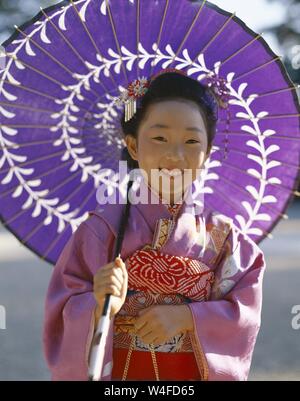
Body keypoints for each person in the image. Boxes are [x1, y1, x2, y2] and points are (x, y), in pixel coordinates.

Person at [43, 70, 266, 381]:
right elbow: (62, 308)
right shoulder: (101, 229)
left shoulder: (225, 237)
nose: (175, 155)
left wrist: (189, 318)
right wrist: (98, 303)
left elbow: (245, 312)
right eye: (160, 138)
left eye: (191, 141)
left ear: (207, 154)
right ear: (133, 146)